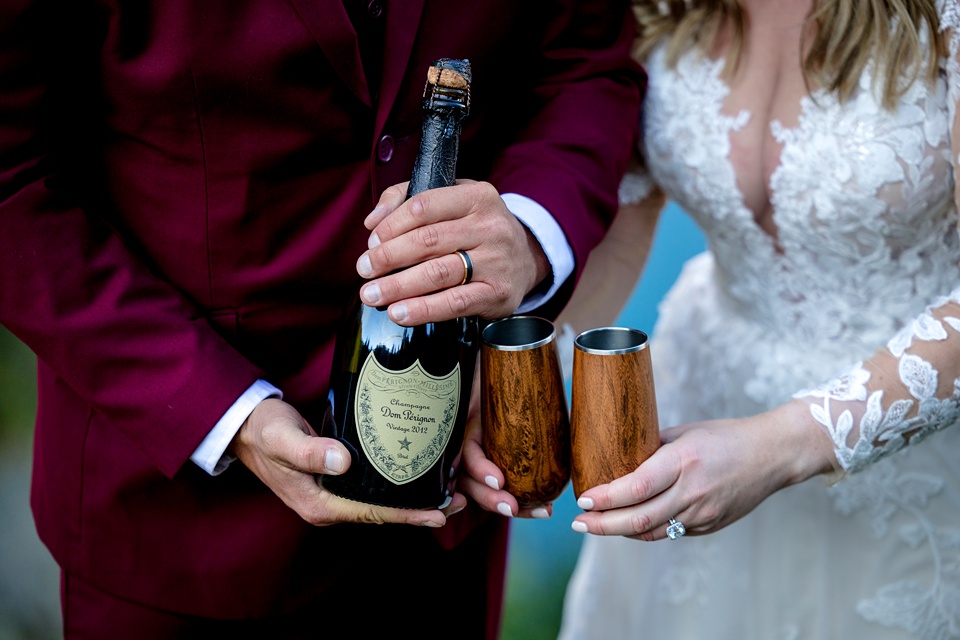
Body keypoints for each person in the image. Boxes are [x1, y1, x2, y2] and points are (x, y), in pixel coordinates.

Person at [0, 1, 643, 637]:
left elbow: (586, 65)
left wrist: (526, 241)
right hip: (175, 528)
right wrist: (224, 413)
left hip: (448, 501)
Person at [558, 1, 960, 638]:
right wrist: (533, 372)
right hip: (700, 398)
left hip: (909, 442)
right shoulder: (660, 6)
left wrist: (778, 446)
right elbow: (624, 229)